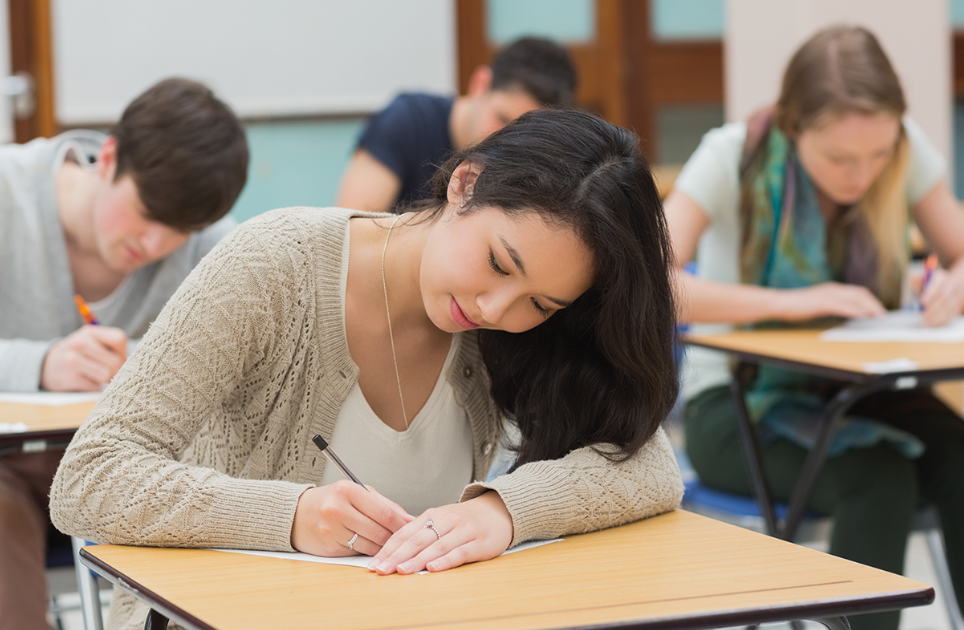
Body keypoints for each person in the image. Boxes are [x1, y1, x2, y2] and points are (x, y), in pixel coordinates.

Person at [50, 108, 686, 630]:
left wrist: (502, 510)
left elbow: (648, 463)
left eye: (540, 303)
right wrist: (293, 517)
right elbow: (89, 477)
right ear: (465, 184)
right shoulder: (276, 267)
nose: (497, 309)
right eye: (498, 263)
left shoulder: (513, 331)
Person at [0, 77, 248, 630]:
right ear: (108, 157)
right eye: (145, 213)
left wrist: (140, 362)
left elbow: (236, 359)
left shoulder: (207, 236)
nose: (156, 245)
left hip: (112, 465)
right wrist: (40, 365)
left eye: (179, 231)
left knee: (204, 531)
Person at [666, 25, 964, 630]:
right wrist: (796, 301)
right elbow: (650, 282)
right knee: (878, 480)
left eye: (878, 156)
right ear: (795, 127)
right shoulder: (733, 156)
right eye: (840, 158)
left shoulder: (903, 149)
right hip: (735, 406)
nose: (863, 175)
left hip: (858, 392)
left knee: (960, 456)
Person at [335, 37, 577, 213]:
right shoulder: (406, 121)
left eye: (524, 133)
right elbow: (349, 231)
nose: (508, 139)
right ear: (480, 84)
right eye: (502, 119)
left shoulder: (530, 163)